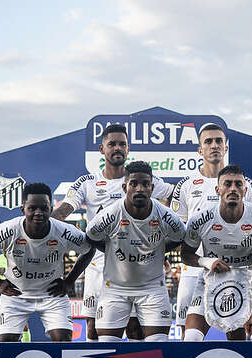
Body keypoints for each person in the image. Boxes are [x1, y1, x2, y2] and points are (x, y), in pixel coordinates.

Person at [53, 123, 174, 342]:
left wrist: (159, 243)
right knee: (92, 328)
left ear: (128, 149)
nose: (117, 148)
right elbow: (65, 208)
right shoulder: (88, 183)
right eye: (112, 144)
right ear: (102, 149)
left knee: (135, 328)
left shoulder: (143, 180)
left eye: (122, 144)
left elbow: (175, 196)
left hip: (136, 266)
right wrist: (51, 218)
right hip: (98, 265)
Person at [0, 182, 95, 342]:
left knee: (63, 343)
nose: (39, 213)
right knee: (5, 345)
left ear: (51, 209)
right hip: (16, 295)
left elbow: (89, 249)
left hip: (52, 294)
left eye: (44, 208)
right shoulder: (8, 231)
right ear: (23, 209)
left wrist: (69, 282)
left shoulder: (63, 231)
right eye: (32, 208)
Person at [170, 123, 252, 338]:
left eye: (219, 141)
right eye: (208, 142)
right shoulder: (186, 185)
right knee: (188, 336)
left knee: (239, 334)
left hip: (236, 271)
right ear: (200, 150)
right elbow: (178, 233)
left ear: (226, 148)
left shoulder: (245, 186)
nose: (214, 146)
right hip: (194, 272)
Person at [86, 162, 185, 342]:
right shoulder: (111, 214)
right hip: (114, 289)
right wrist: (112, 250)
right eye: (134, 184)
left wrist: (158, 249)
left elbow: (180, 237)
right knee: (108, 347)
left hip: (153, 289)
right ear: (125, 187)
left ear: (152, 188)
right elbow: (91, 238)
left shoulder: (165, 215)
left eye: (145, 184)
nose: (139, 189)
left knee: (158, 347)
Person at [180, 166, 252, 341]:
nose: (233, 188)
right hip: (209, 279)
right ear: (218, 189)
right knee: (190, 339)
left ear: (245, 190)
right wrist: (207, 262)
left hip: (246, 279)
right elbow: (185, 255)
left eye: (238, 184)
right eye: (227, 184)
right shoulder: (201, 219)